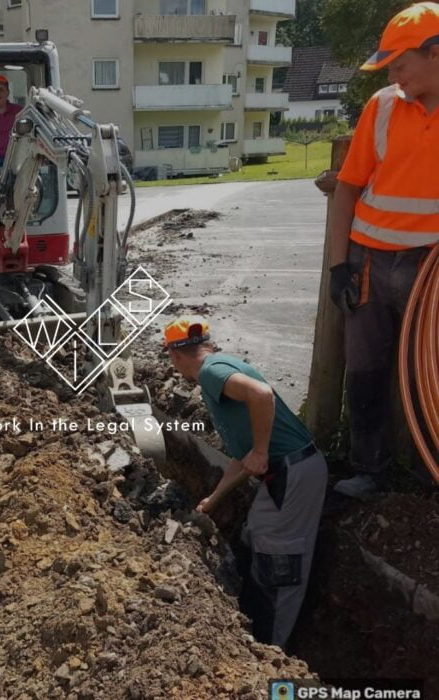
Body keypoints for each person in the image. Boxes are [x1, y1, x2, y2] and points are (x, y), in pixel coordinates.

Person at [329, 2, 439, 499]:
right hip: (369, 261)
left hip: (430, 269)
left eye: (400, 63)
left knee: (429, 376)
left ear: (435, 53)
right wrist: (338, 266)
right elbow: (349, 188)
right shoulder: (384, 106)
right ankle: (368, 471)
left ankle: (426, 475)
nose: (393, 74)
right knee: (366, 370)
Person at [163, 317, 328, 649]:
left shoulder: (211, 372)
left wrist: (263, 451)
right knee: (253, 536)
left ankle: (269, 652)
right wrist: (215, 498)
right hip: (284, 472)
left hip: (292, 473)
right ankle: (249, 622)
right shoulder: (220, 369)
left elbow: (262, 394)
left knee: (277, 562)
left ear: (175, 356)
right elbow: (243, 455)